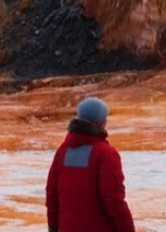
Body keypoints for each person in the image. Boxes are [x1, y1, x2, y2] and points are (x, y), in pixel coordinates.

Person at [46, 97, 135, 232]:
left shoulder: (63, 151)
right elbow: (114, 201)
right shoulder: (105, 154)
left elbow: (52, 194)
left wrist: (53, 227)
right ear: (101, 123)